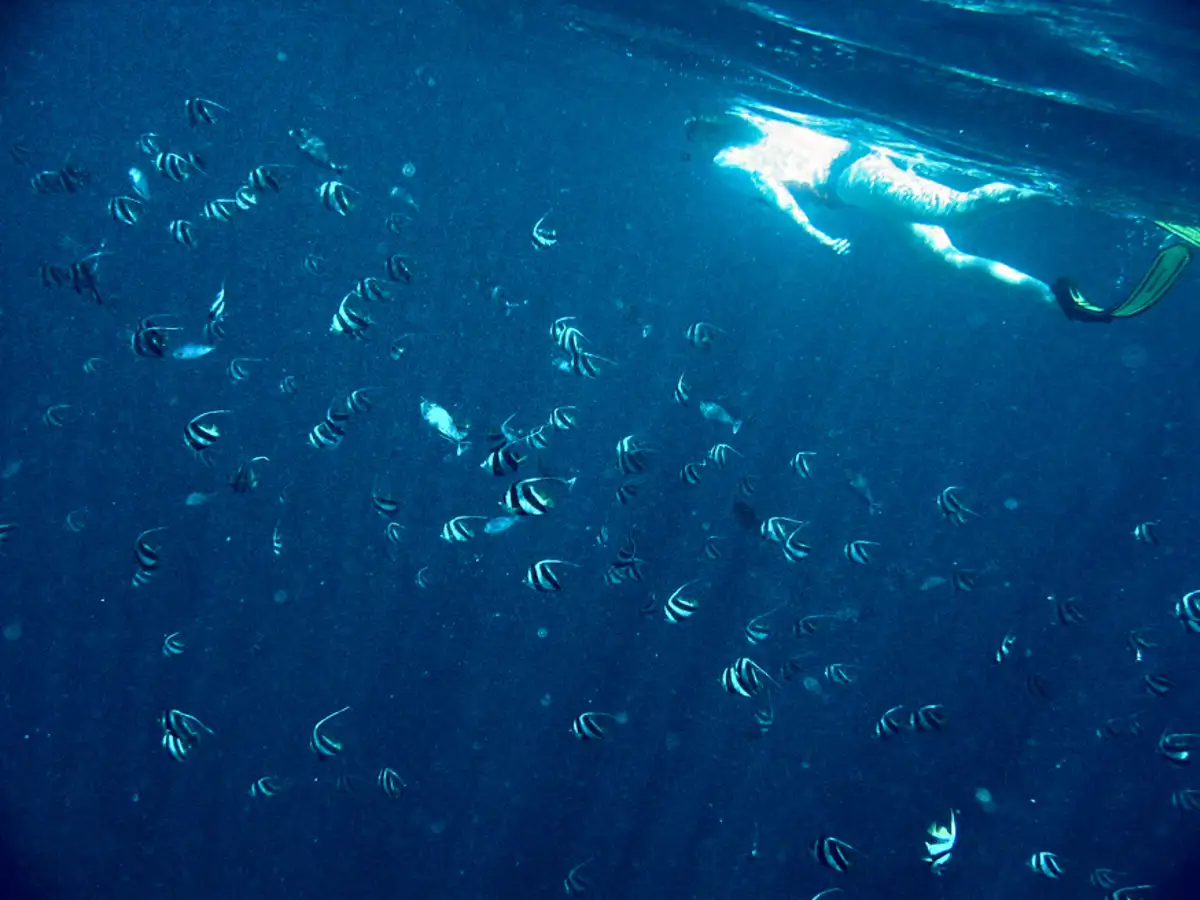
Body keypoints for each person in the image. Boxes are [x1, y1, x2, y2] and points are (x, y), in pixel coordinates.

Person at [688, 108, 1056, 306]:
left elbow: (771, 191)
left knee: (957, 212)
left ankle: (1047, 189)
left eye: (701, 135)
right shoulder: (758, 115)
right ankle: (1050, 297)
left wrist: (814, 235)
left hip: (855, 180)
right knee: (941, 258)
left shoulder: (731, 158)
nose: (706, 143)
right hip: (862, 172)